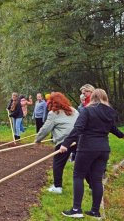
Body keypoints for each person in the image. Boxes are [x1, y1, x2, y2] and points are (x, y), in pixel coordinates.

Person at [60, 89, 124, 219]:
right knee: (96, 180)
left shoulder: (87, 110)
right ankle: (95, 211)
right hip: (103, 150)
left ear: (92, 97)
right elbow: (113, 129)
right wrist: (122, 135)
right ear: (105, 98)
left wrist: (65, 144)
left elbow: (78, 128)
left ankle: (76, 209)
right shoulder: (110, 113)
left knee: (78, 175)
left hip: (87, 148)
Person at [35, 92, 79, 194]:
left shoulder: (54, 113)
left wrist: (38, 139)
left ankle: (57, 187)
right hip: (78, 139)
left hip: (64, 141)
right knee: (83, 164)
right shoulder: (74, 111)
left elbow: (46, 128)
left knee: (58, 163)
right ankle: (92, 186)